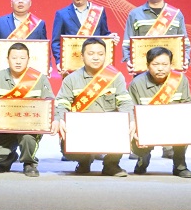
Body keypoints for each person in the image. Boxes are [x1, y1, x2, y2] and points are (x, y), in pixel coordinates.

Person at [55, 37, 134, 176]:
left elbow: (125, 102)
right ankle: (84, 160)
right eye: (91, 54)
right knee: (67, 147)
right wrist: (59, 118)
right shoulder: (71, 79)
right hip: (82, 128)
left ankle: (111, 164)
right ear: (82, 56)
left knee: (127, 125)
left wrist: (131, 120)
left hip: (108, 127)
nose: (96, 57)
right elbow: (62, 102)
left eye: (100, 54)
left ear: (106, 55)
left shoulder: (115, 77)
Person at [0, 42, 56, 177]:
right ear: (7, 59)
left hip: (29, 127)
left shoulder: (39, 78)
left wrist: (55, 120)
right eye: (14, 58)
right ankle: (9, 158)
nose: (18, 62)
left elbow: (50, 102)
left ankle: (29, 163)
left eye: (22, 58)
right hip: (5, 128)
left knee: (27, 138)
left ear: (28, 59)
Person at [127, 46, 191, 178]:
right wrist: (134, 129)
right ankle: (143, 159)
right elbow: (131, 110)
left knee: (185, 128)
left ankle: (180, 165)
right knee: (134, 136)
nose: (160, 68)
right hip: (146, 127)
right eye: (155, 64)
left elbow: (187, 105)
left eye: (164, 64)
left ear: (171, 65)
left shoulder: (180, 80)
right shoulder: (136, 83)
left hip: (173, 125)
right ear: (147, 65)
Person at [121, 0, 191, 75]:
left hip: (170, 70)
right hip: (143, 71)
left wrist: (185, 58)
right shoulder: (135, 14)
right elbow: (127, 42)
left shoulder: (176, 14)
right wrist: (129, 60)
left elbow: (185, 42)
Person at [50, 0, 120, 75]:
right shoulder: (62, 14)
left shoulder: (99, 12)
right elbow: (56, 42)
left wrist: (111, 38)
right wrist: (59, 62)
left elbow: (104, 34)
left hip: (95, 65)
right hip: (71, 66)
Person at [0, 0, 48, 74]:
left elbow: (44, 48)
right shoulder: (0, 22)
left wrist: (47, 66)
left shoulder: (39, 24)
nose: (20, 1)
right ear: (11, 3)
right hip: (5, 70)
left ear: (30, 2)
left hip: (31, 72)